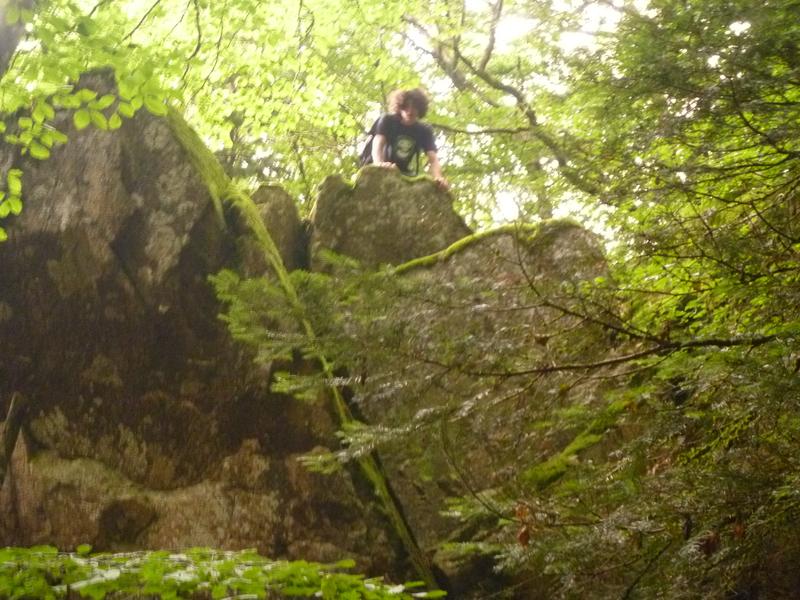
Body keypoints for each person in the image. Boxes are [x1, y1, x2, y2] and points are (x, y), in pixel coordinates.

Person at [364, 88, 449, 190]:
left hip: (402, 172)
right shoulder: (387, 120)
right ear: (400, 107)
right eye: (406, 106)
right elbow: (378, 143)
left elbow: (433, 158)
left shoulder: (424, 130)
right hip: (378, 165)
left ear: (420, 109)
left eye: (414, 107)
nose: (410, 111)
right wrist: (379, 164)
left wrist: (438, 177)